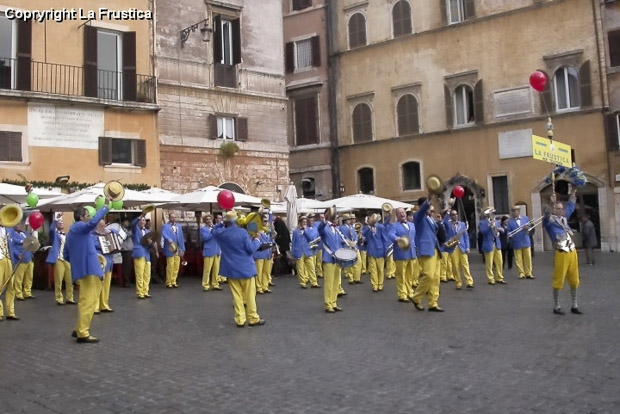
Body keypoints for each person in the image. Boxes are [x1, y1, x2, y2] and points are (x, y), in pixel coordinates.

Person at [66, 201, 111, 343]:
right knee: (89, 301)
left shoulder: (73, 231)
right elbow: (92, 223)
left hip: (85, 268)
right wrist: (105, 207)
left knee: (86, 299)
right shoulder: (79, 226)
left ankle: (79, 328)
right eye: (87, 215)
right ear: (81, 217)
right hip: (89, 269)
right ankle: (83, 332)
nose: (89, 217)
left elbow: (66, 254)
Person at [212, 210, 265, 327]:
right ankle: (253, 318)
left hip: (231, 268)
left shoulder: (221, 233)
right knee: (250, 295)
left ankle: (240, 319)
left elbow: (214, 230)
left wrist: (222, 222)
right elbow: (251, 249)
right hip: (245, 268)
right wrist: (257, 240)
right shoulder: (242, 232)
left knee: (237, 296)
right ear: (237, 220)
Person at [544, 189, 582, 315]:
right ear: (554, 210)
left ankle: (574, 305)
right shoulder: (550, 221)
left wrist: (573, 192)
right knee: (558, 279)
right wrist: (551, 203)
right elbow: (546, 215)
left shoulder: (564, 219)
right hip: (561, 252)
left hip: (572, 251)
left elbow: (570, 206)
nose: (561, 210)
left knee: (574, 279)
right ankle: (557, 306)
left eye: (561, 209)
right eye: (558, 208)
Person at [411, 195, 444, 312]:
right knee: (428, 275)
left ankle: (433, 303)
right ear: (420, 206)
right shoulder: (418, 216)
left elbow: (435, 233)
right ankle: (416, 297)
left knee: (435, 278)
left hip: (436, 249)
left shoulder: (431, 218)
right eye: (427, 205)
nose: (430, 207)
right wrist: (428, 201)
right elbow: (421, 212)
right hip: (426, 249)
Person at [317, 208, 348, 313]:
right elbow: (320, 229)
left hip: (337, 258)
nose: (337, 219)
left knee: (336, 283)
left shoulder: (337, 229)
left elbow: (340, 243)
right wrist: (324, 220)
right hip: (328, 258)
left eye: (337, 217)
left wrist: (349, 245)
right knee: (329, 283)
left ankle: (334, 303)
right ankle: (328, 304)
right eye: (335, 217)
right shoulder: (325, 228)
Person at [386, 207, 417, 303]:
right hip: (401, 253)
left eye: (403, 212)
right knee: (401, 275)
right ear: (397, 215)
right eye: (399, 213)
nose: (402, 214)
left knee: (410, 275)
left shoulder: (412, 224)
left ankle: (410, 292)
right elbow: (390, 234)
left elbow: (415, 237)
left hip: (412, 253)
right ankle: (402, 294)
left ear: (405, 214)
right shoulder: (394, 225)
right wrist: (396, 238)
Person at [46, 212, 76, 304]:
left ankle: (70, 298)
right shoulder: (55, 235)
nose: (61, 223)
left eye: (62, 222)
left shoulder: (67, 235)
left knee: (70, 280)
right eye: (59, 223)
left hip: (67, 259)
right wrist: (56, 219)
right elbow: (51, 230)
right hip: (58, 259)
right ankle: (59, 298)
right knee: (58, 280)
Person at [443, 209, 474, 289]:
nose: (455, 216)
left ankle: (469, 282)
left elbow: (466, 236)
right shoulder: (448, 224)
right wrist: (447, 212)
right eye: (453, 214)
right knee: (455, 266)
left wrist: (467, 247)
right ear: (451, 216)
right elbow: (444, 221)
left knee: (465, 265)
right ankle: (458, 283)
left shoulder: (462, 224)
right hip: (453, 248)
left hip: (462, 247)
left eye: (456, 214)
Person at [92, 219, 116, 313]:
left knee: (106, 286)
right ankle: (95, 306)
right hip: (100, 262)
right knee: (97, 285)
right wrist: (103, 243)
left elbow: (116, 232)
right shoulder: (92, 235)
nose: (103, 227)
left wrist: (109, 231)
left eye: (104, 225)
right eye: (101, 226)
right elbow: (93, 246)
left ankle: (104, 305)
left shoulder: (107, 233)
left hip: (109, 262)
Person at [479, 208, 506, 285]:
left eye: (493, 213)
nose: (492, 215)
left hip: (497, 244)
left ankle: (499, 278)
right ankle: (490, 279)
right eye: (491, 213)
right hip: (488, 244)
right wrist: (490, 226)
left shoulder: (497, 221)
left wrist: (501, 229)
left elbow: (502, 230)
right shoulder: (482, 223)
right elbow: (482, 232)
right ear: (487, 214)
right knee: (489, 264)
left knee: (499, 262)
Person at [507, 207, 535, 278]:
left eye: (515, 211)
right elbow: (508, 231)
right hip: (516, 242)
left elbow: (531, 228)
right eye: (512, 211)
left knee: (528, 259)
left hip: (526, 241)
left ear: (519, 211)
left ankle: (529, 273)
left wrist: (527, 228)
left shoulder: (526, 218)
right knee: (518, 259)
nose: (513, 213)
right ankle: (521, 273)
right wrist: (509, 234)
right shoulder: (510, 221)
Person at [9, 222, 34, 301]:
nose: (20, 226)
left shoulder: (25, 234)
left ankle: (27, 292)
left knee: (29, 277)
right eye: (18, 224)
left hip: (29, 258)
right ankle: (18, 294)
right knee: (19, 278)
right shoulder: (12, 234)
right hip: (20, 259)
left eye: (20, 224)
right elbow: (11, 247)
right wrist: (17, 255)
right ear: (14, 226)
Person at [362, 213, 386, 292]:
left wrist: (385, 251)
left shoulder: (381, 227)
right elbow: (364, 235)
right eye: (370, 219)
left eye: (372, 218)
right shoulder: (367, 228)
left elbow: (384, 239)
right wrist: (369, 227)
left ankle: (380, 284)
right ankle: (374, 285)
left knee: (380, 269)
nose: (371, 220)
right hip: (371, 250)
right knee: (373, 270)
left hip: (380, 250)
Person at [0, 220, 19, 321]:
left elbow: (12, 245)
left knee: (10, 286)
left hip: (8, 259)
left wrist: (16, 255)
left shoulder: (10, 229)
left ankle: (10, 312)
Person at [131, 214, 152, 299]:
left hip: (147, 254)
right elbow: (133, 224)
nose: (142, 221)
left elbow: (151, 245)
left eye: (143, 220)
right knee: (139, 274)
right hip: (139, 253)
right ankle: (140, 292)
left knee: (147, 274)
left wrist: (150, 243)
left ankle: (146, 291)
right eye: (141, 220)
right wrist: (140, 216)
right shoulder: (135, 229)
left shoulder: (148, 231)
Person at [162, 213, 185, 288]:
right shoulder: (165, 226)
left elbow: (181, 238)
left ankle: (174, 281)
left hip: (178, 247)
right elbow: (163, 233)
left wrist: (183, 248)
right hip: (170, 247)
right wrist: (168, 239)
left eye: (174, 217)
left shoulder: (179, 226)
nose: (173, 218)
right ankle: (168, 282)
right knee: (170, 265)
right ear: (169, 218)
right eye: (172, 217)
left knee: (176, 265)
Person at [200, 213, 222, 292]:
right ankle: (205, 285)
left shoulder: (216, 228)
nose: (209, 221)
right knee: (207, 270)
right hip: (209, 251)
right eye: (207, 219)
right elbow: (205, 238)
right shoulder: (203, 229)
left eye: (210, 219)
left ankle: (215, 284)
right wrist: (212, 232)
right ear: (205, 221)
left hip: (217, 250)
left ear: (212, 220)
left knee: (216, 269)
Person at [253, 217, 275, 294]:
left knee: (266, 271)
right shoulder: (257, 231)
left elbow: (271, 241)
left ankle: (265, 286)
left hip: (268, 253)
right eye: (264, 221)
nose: (266, 223)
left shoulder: (268, 231)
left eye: (266, 221)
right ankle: (259, 287)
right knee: (259, 271)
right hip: (260, 253)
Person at [119, 218, 134, 287]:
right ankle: (126, 281)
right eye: (126, 222)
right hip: (125, 249)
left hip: (130, 249)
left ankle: (128, 280)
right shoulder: (121, 229)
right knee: (126, 266)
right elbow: (126, 235)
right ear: (123, 222)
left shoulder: (127, 229)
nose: (127, 223)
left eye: (128, 222)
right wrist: (130, 230)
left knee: (129, 266)